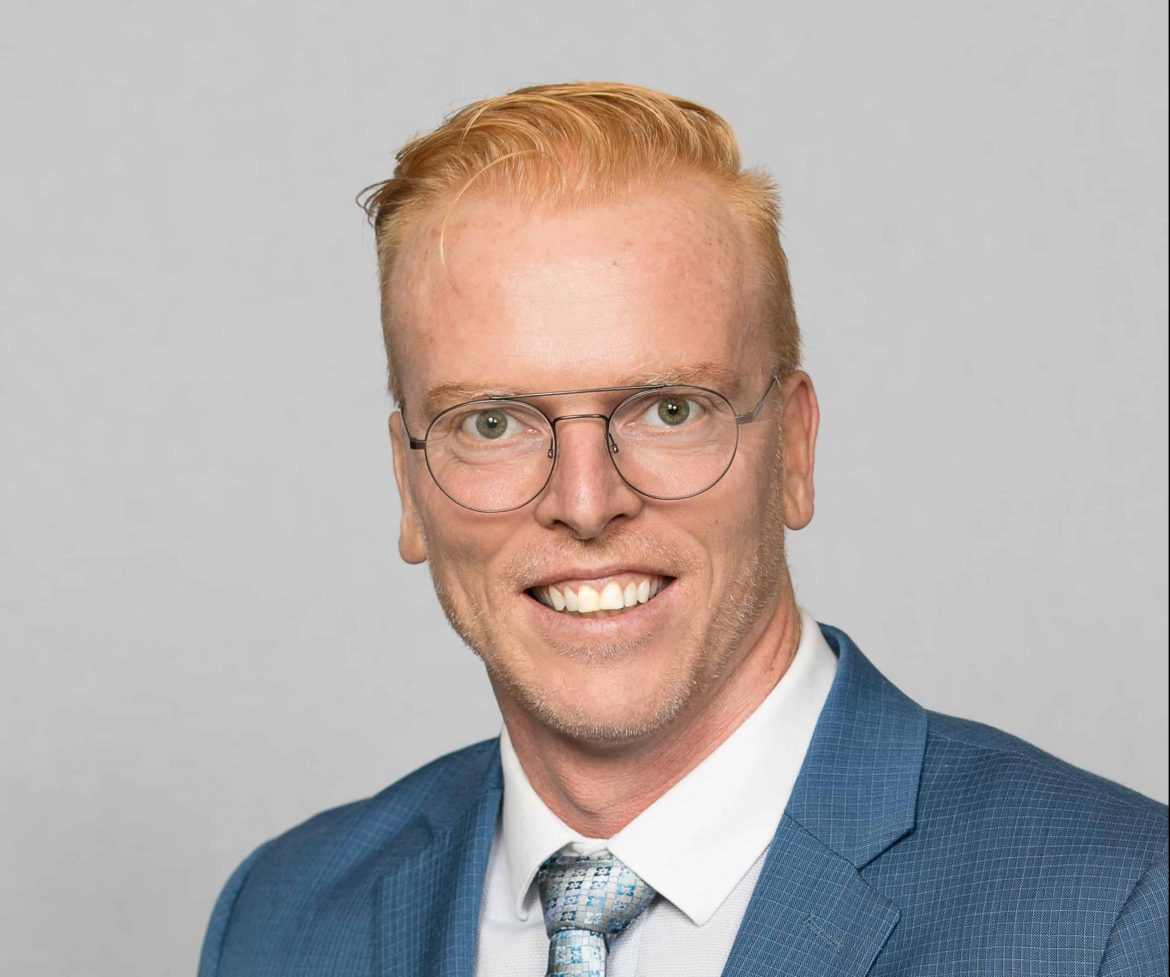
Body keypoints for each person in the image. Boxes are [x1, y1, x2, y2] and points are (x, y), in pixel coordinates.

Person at [198, 82, 1168, 977]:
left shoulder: (1114, 913)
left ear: (794, 448)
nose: (585, 501)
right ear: (410, 484)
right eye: (491, 423)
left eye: (669, 409)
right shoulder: (282, 919)